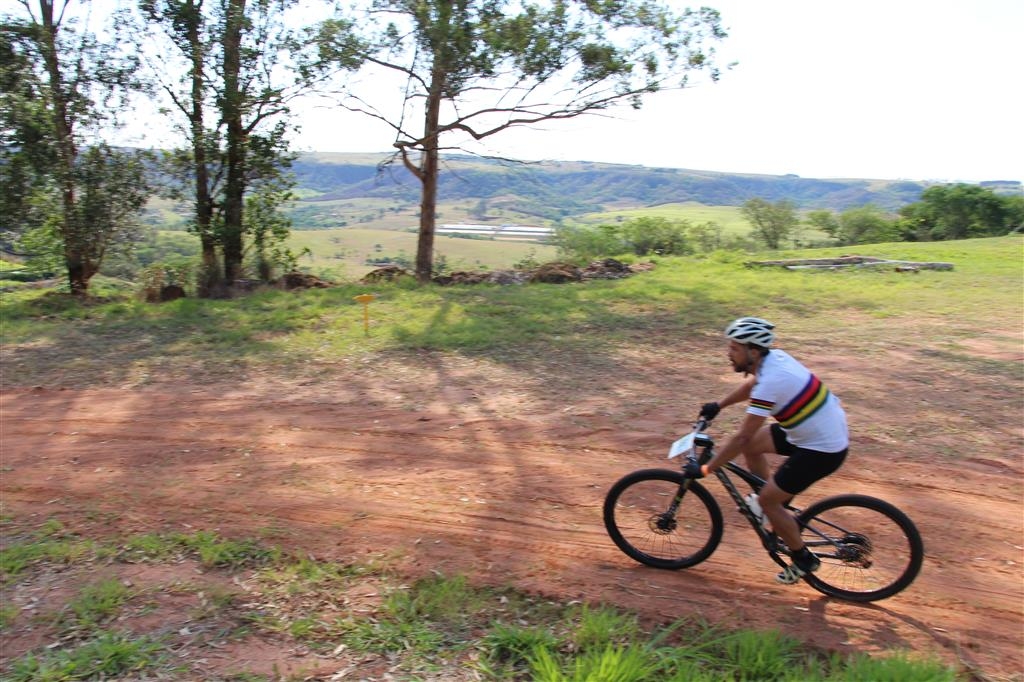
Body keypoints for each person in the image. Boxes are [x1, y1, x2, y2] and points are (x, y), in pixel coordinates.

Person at [682, 316, 849, 584]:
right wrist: (720, 404)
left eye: (735, 348)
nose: (729, 353)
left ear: (754, 351)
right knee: (756, 450)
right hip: (814, 429)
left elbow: (742, 438)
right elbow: (753, 385)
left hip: (821, 449)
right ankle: (774, 507)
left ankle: (803, 558)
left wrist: (705, 469)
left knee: (767, 498)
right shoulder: (773, 360)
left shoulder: (773, 379)